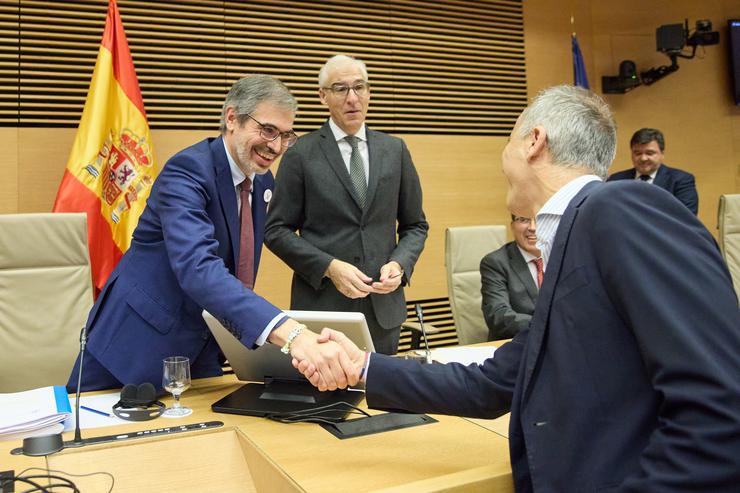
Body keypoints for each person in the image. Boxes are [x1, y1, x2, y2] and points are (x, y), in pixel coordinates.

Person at [298, 86, 740, 491]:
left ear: (534, 141)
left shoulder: (623, 207)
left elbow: (718, 411)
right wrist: (364, 367)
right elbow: (492, 384)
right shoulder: (578, 234)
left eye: (509, 138)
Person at [67, 75, 358, 392]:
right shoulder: (187, 171)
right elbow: (198, 268)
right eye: (268, 130)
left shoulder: (262, 184)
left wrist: (329, 267)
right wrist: (292, 334)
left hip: (201, 353)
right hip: (131, 350)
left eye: (286, 135)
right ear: (232, 118)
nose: (276, 147)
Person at [264, 54, 428, 355]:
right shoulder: (300, 153)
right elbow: (276, 230)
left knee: (381, 398)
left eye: (359, 87)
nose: (352, 98)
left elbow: (415, 225)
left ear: (369, 92)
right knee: (325, 399)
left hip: (383, 310)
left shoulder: (395, 150)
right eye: (340, 89)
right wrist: (329, 267)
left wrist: (400, 264)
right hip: (323, 307)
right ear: (322, 96)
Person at [607, 127, 698, 214]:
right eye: (637, 153)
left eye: (649, 153)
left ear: (662, 154)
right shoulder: (616, 180)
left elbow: (686, 219)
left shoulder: (680, 181)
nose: (643, 158)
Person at [480, 215, 541, 340]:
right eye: (524, 220)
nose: (533, 228)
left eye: (540, 220)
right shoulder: (495, 262)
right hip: (517, 346)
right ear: (512, 226)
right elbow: (498, 316)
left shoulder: (563, 257)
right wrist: (547, 325)